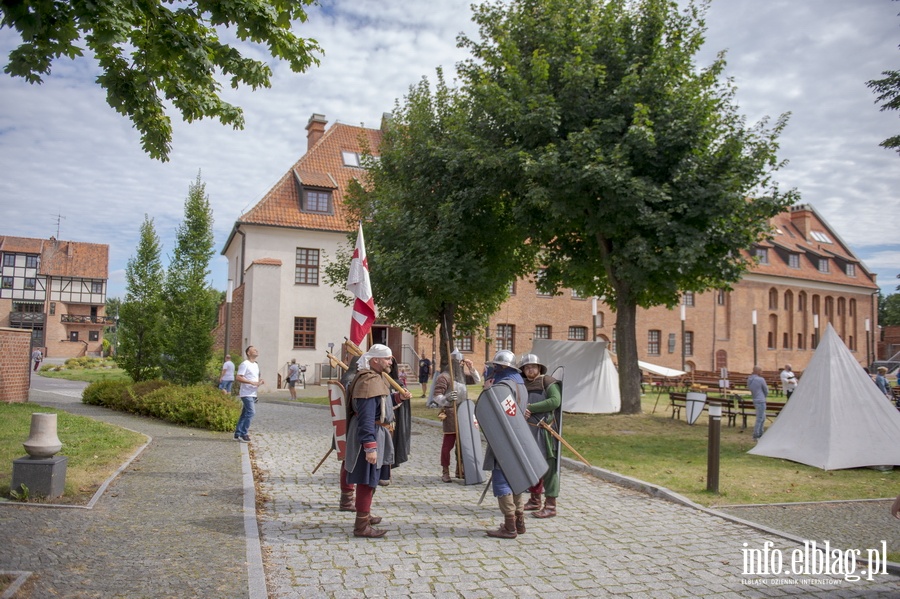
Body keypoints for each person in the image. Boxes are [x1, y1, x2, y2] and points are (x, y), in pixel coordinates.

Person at [344, 344, 411, 538]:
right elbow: (366, 417)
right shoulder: (368, 382)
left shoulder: (375, 379)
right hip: (370, 433)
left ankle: (365, 515)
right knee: (367, 481)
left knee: (372, 480)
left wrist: (398, 397)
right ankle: (361, 526)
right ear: (375, 360)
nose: (391, 362)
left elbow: (381, 403)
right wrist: (370, 446)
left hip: (377, 432)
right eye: (388, 359)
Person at [482, 349, 529, 539]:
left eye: (496, 365)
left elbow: (499, 411)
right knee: (516, 479)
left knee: (503, 481)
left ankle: (510, 527)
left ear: (502, 367)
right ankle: (519, 522)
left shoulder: (503, 386)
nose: (493, 368)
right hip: (519, 438)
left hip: (505, 439)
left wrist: (487, 391)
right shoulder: (520, 383)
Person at [519, 353, 562, 518]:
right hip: (528, 431)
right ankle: (534, 500)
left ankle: (550, 506)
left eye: (533, 366)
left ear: (539, 368)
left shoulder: (548, 382)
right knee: (532, 467)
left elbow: (554, 401)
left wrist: (531, 407)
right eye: (527, 367)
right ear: (523, 369)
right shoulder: (521, 384)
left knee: (549, 469)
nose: (530, 369)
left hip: (545, 432)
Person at [432, 349, 481, 482]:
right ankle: (445, 470)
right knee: (448, 445)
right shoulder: (444, 377)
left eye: (461, 362)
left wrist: (471, 368)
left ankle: (461, 469)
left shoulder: (462, 376)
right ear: (452, 362)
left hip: (463, 412)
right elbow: (436, 396)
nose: (460, 364)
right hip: (450, 413)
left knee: (463, 443)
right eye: (458, 362)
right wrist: (447, 397)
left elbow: (477, 380)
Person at [234, 346, 264, 442]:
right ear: (248, 353)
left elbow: (255, 377)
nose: (256, 350)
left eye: (256, 349)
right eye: (253, 349)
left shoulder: (255, 364)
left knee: (244, 414)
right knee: (251, 412)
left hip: (253, 393)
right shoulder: (245, 364)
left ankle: (237, 434)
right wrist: (250, 382)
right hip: (246, 393)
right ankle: (244, 433)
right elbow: (238, 377)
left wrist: (259, 382)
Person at [747, 365, 768, 442]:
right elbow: (766, 390)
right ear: (757, 371)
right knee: (760, 418)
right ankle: (756, 435)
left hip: (755, 398)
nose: (761, 372)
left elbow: (750, 388)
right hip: (761, 399)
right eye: (761, 371)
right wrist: (764, 396)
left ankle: (761, 433)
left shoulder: (750, 379)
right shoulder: (761, 380)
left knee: (763, 417)